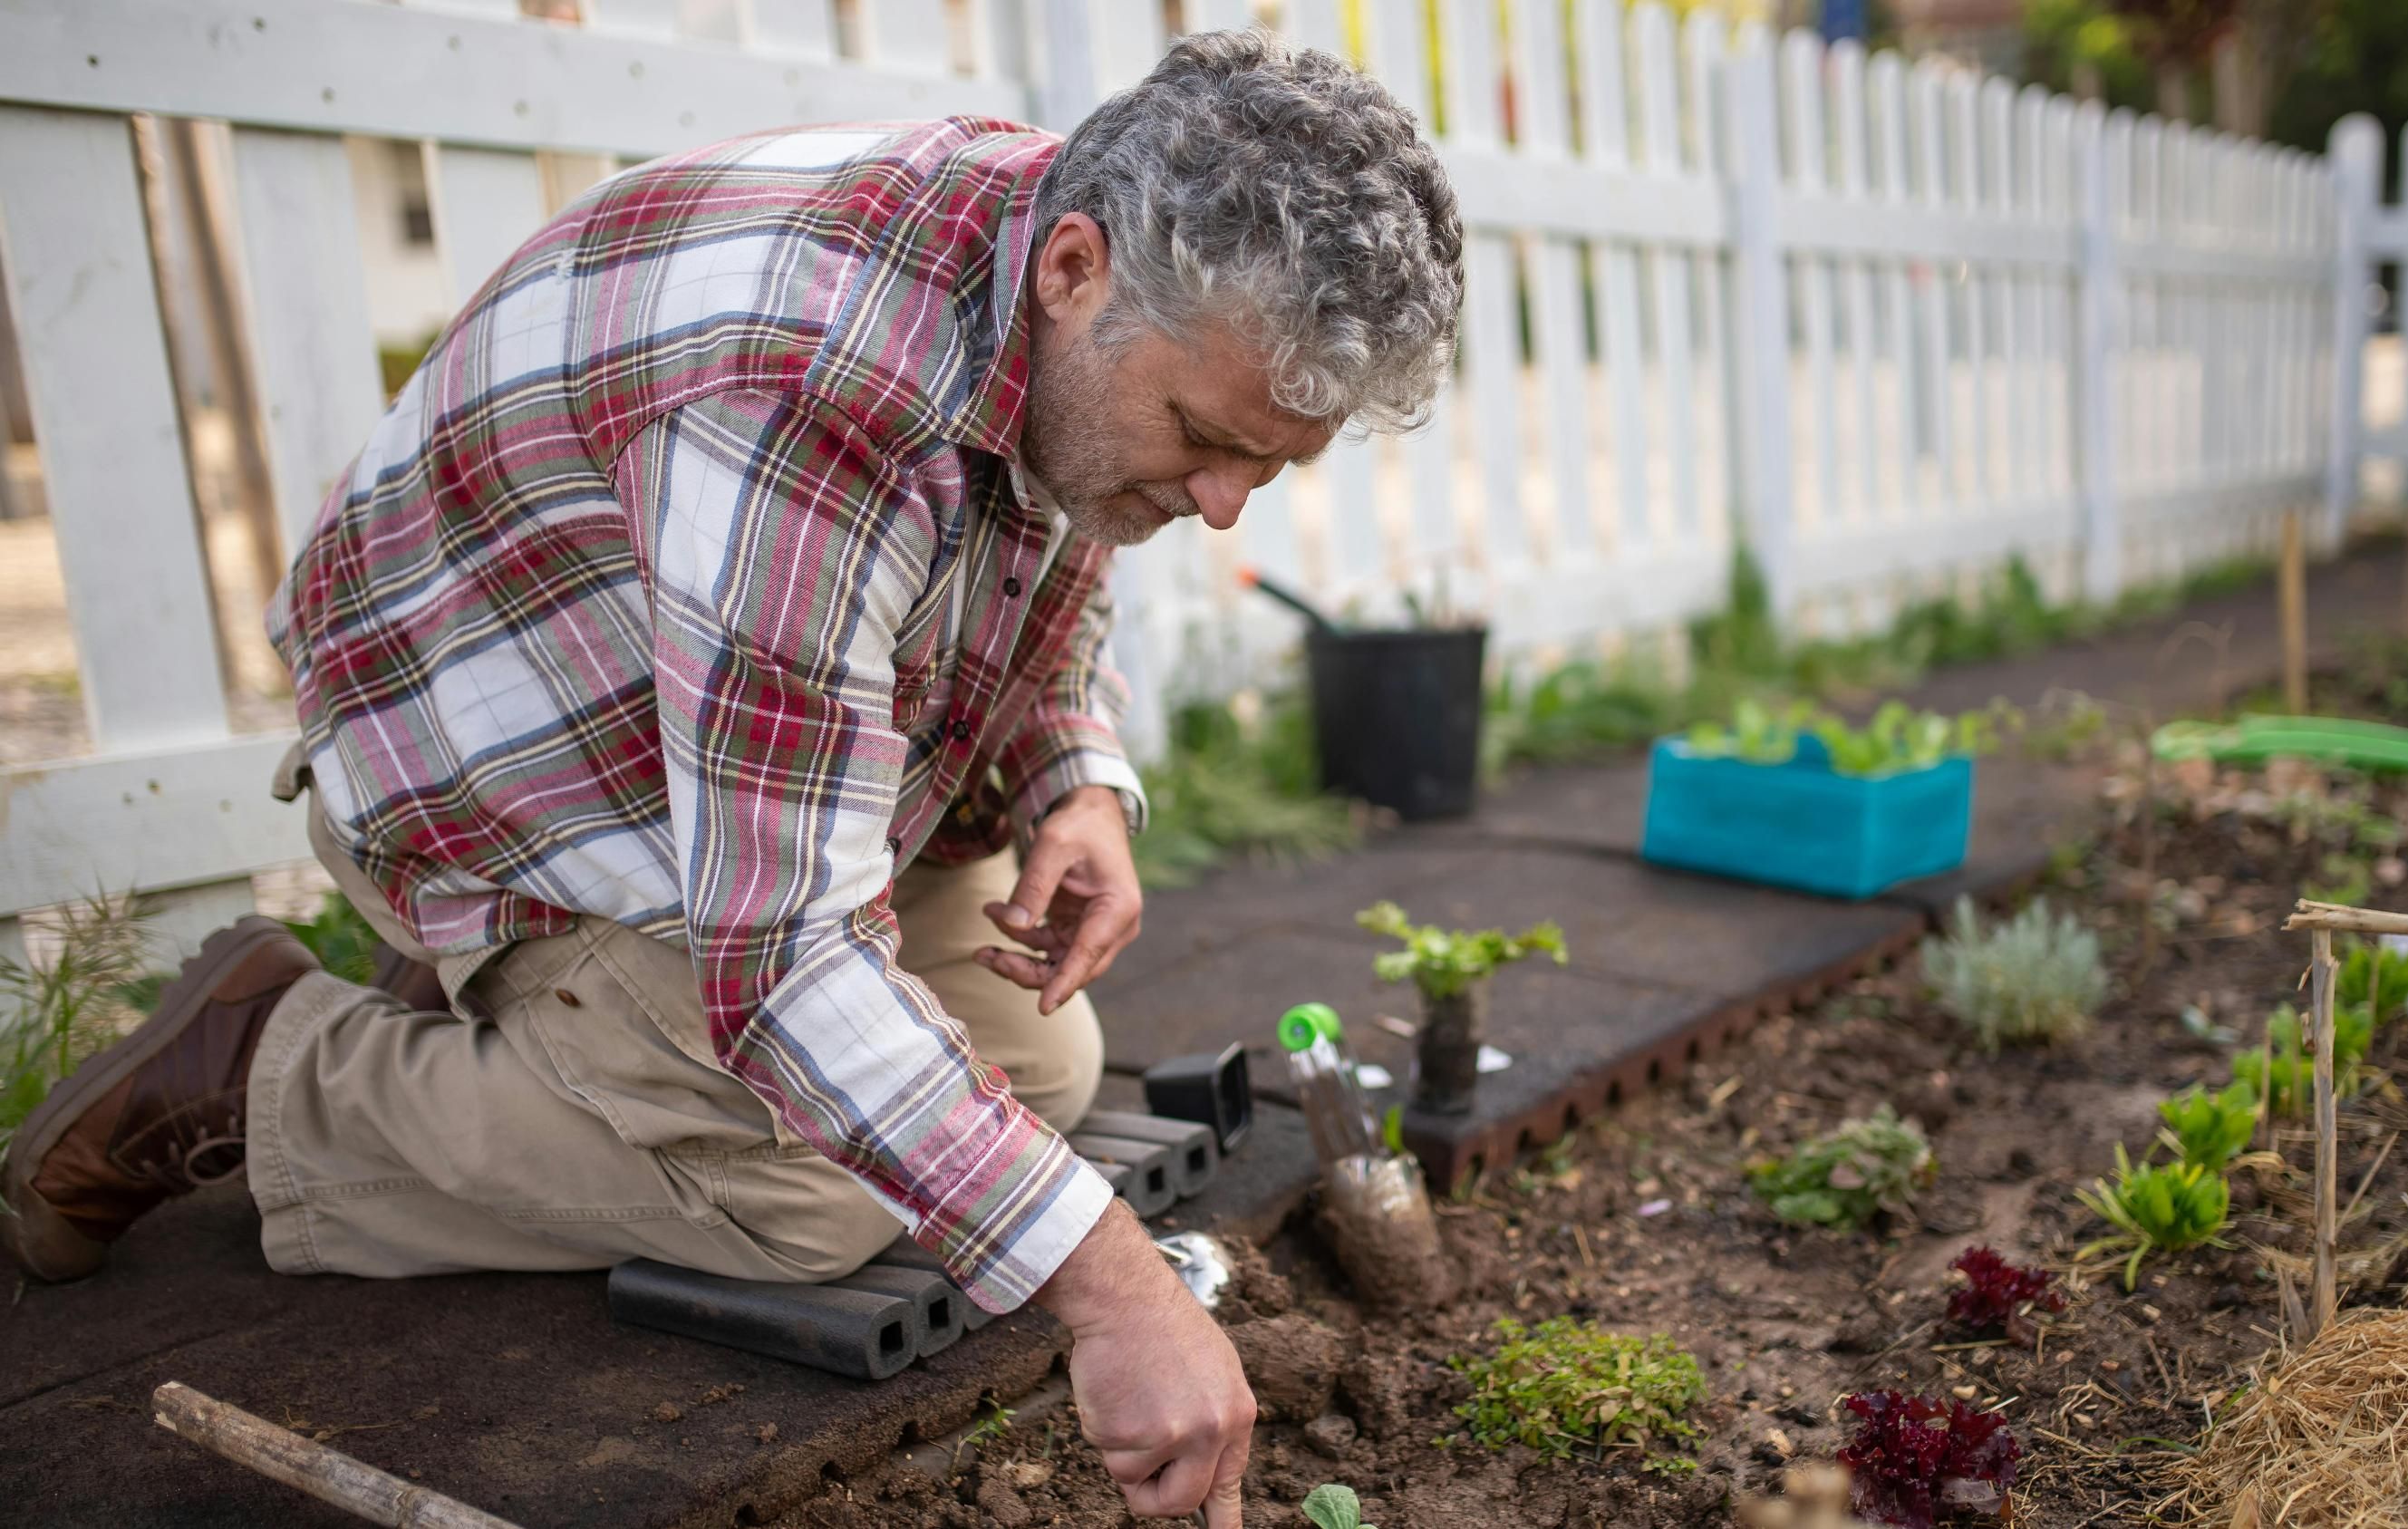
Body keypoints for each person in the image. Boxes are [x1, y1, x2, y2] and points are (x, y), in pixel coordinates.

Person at [0, 30, 1462, 1527]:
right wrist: (1117, 1298)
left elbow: (1060, 516)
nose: (1221, 507)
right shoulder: (807, 387)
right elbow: (780, 965)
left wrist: (1068, 780)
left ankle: (551, 1051)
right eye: (1205, 442)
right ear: (1076, 270)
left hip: (720, 747)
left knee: (1043, 1066)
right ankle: (279, 1072)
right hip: (504, 779)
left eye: (1266, 471)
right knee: (810, 1199)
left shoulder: (1078, 259)